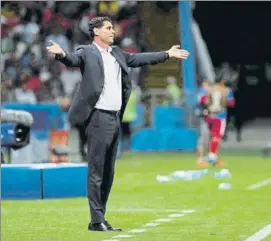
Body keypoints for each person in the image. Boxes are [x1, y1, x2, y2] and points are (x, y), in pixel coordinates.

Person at [46, 16, 189, 232]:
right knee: (96, 170)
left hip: (114, 118)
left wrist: (167, 54)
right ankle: (96, 220)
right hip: (98, 118)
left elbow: (140, 59)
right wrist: (61, 54)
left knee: (108, 172)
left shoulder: (117, 53)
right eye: (109, 28)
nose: (113, 31)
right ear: (96, 32)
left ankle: (99, 217)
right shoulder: (87, 52)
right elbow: (72, 60)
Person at [205, 74, 235, 165]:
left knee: (212, 136)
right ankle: (212, 156)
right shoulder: (226, 90)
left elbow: (206, 101)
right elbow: (231, 103)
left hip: (209, 115)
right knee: (217, 137)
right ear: (222, 81)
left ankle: (213, 156)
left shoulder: (210, 89)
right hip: (220, 116)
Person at [196, 81, 211, 167]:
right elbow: (202, 105)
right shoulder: (201, 95)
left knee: (208, 139)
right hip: (203, 120)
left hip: (209, 120)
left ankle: (207, 157)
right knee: (202, 138)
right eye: (205, 86)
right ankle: (200, 158)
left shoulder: (206, 94)